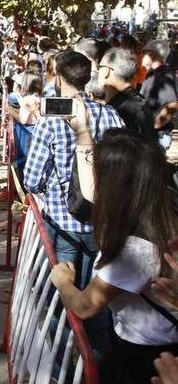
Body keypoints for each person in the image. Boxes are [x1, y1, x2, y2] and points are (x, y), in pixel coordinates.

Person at [52, 126, 178, 384]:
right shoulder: (164, 217)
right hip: (146, 351)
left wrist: (62, 280)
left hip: (146, 361)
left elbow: (84, 306)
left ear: (117, 185)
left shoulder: (133, 250)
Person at [24, 50, 125, 355]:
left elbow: (32, 178)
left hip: (62, 225)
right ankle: (97, 367)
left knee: (60, 298)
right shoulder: (111, 115)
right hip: (102, 224)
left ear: (58, 78)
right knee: (96, 301)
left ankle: (66, 367)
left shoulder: (52, 121)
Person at [97, 47, 155, 140]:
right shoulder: (139, 102)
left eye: (99, 67)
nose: (97, 71)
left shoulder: (120, 110)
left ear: (106, 71)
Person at [140, 40, 178, 147]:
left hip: (157, 137)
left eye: (144, 54)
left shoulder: (163, 76)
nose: (142, 60)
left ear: (151, 55)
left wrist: (152, 127)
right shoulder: (153, 75)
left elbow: (172, 105)